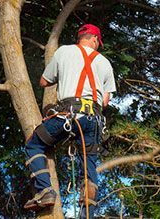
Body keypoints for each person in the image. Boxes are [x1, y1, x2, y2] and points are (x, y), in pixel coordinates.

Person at [23, 24, 116, 219]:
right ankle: (87, 210)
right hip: (94, 120)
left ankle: (45, 191)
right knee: (88, 162)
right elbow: (105, 101)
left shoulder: (63, 51)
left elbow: (44, 81)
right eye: (98, 42)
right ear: (94, 39)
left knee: (34, 144)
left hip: (68, 114)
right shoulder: (105, 63)